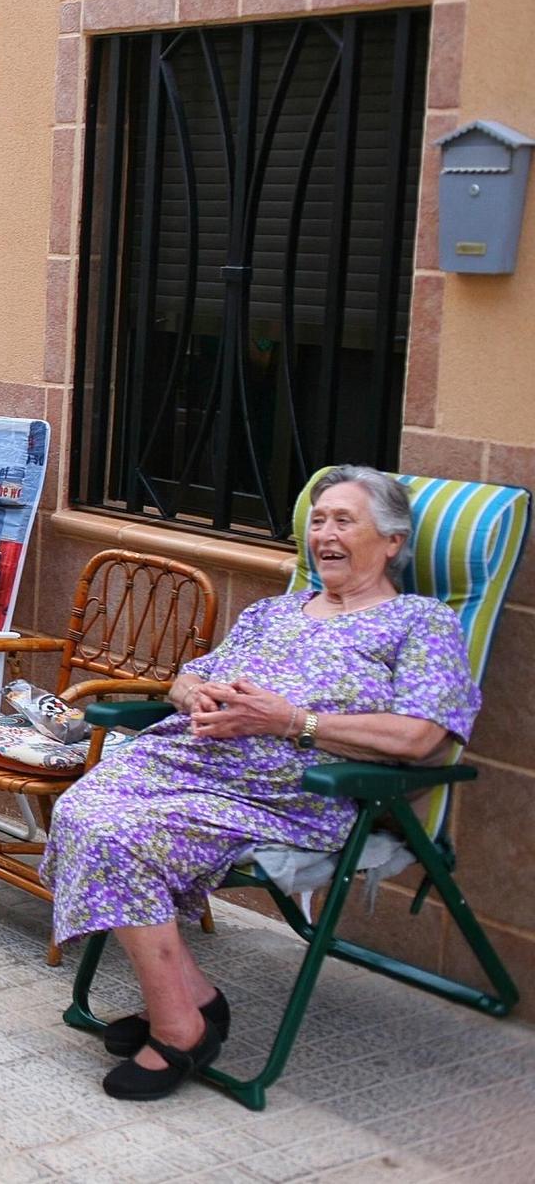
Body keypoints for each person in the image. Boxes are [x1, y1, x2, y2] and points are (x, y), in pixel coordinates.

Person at [41, 465, 482, 1101]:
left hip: (289, 796)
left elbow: (423, 738)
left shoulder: (420, 623)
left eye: (344, 520)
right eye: (319, 521)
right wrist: (197, 694)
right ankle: (194, 997)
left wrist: (289, 720)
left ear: (392, 541)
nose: (324, 534)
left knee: (117, 836)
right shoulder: (272, 610)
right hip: (186, 763)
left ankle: (178, 1028)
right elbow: (187, 677)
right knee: (82, 809)